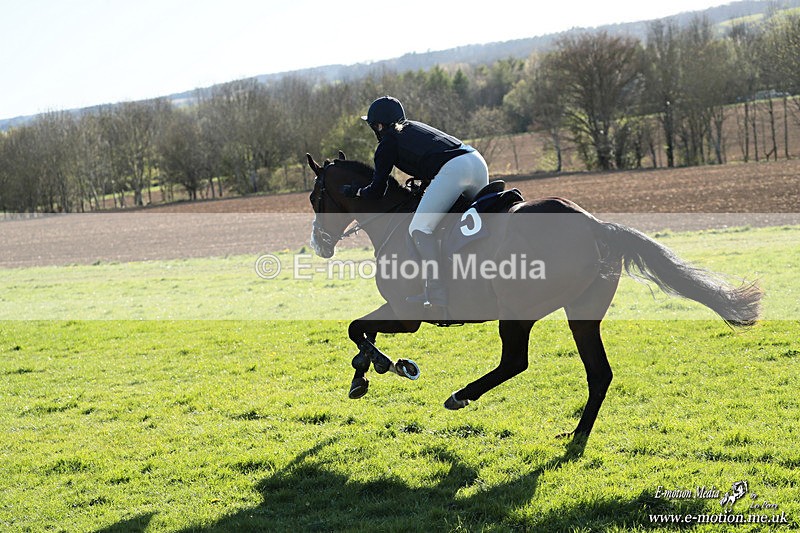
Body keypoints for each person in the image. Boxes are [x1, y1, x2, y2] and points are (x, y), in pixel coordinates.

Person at [341, 96, 489, 309]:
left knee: (419, 228)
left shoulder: (387, 143)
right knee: (472, 222)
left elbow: (377, 191)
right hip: (476, 161)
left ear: (379, 126)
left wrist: (356, 192)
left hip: (455, 171)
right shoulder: (414, 127)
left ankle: (436, 292)